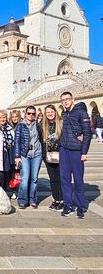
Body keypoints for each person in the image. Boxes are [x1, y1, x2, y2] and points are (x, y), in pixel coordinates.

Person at [59, 91, 91, 219]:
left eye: (67, 99)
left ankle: (80, 205)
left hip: (77, 150)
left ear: (73, 99)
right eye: (63, 100)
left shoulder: (81, 112)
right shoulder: (64, 113)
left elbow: (87, 133)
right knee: (65, 178)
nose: (65, 101)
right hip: (64, 149)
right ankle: (68, 204)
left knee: (78, 179)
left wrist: (84, 152)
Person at [15, 106, 43, 209]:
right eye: (29, 113)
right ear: (25, 114)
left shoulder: (38, 125)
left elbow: (42, 139)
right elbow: (17, 141)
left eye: (33, 114)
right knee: (25, 177)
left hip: (37, 154)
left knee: (34, 178)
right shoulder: (20, 126)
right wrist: (17, 156)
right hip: (24, 154)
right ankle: (22, 199)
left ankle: (32, 199)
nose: (31, 115)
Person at [41, 104, 64, 212]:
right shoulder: (43, 125)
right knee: (53, 179)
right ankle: (56, 199)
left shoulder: (61, 123)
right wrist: (43, 156)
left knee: (61, 178)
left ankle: (62, 200)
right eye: (48, 112)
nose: (50, 114)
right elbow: (42, 142)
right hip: (49, 157)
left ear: (55, 112)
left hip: (61, 156)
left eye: (52, 111)